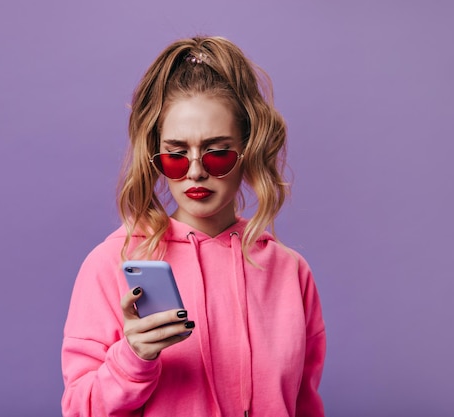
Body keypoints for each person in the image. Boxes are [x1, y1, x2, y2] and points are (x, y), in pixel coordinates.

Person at [61, 36, 326, 417]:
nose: (197, 171)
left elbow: (304, 406)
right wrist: (133, 358)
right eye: (176, 155)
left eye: (217, 152)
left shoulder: (290, 272)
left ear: (247, 148)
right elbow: (79, 409)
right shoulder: (110, 264)